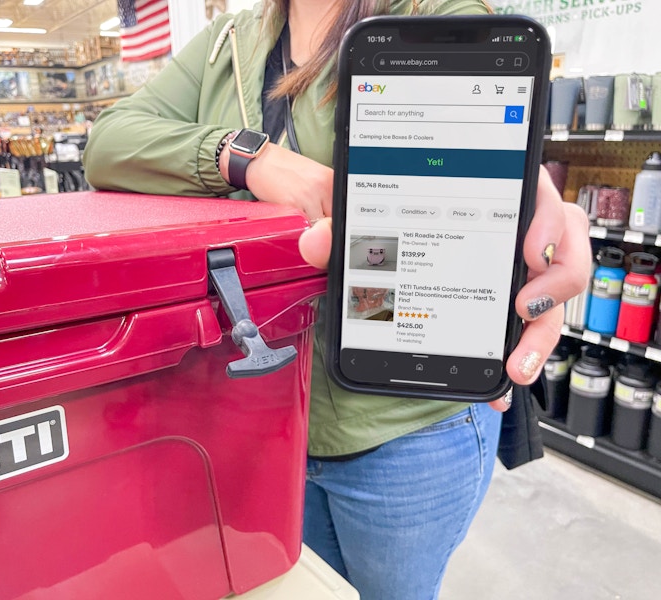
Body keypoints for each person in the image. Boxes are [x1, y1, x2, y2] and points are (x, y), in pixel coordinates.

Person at [82, 1, 591, 598]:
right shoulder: (231, 42)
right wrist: (248, 157)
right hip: (268, 418)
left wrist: (538, 209)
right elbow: (109, 141)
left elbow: (485, 158)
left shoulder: (429, 11)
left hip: (403, 431)